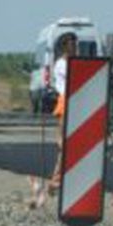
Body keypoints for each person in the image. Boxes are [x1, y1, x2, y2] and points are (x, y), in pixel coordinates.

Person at [48, 32, 77, 194]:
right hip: (66, 103)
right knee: (65, 146)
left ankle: (58, 181)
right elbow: (67, 83)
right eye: (72, 45)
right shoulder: (61, 65)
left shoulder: (76, 62)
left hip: (77, 103)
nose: (75, 48)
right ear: (65, 46)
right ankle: (56, 181)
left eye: (76, 44)